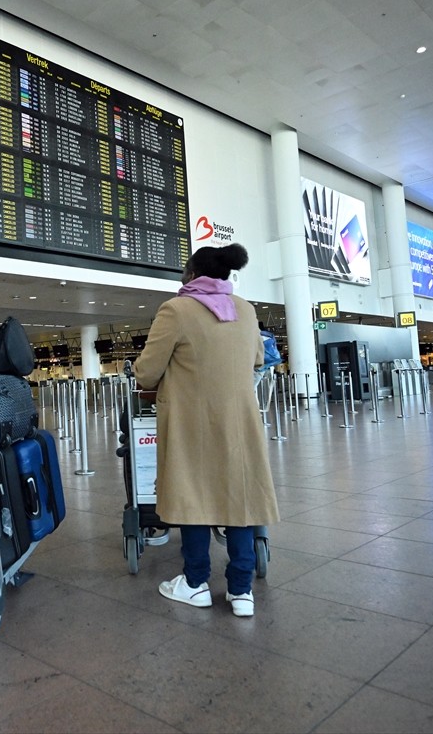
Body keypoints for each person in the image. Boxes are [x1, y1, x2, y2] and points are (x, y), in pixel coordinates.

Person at [134, 244, 279, 617]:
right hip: (238, 420)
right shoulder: (245, 310)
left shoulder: (176, 309)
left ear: (192, 273)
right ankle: (241, 590)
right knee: (240, 497)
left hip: (191, 422)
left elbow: (148, 372)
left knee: (193, 496)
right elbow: (258, 359)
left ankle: (196, 583)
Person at [254, 322, 282, 412]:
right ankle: (257, 411)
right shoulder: (269, 336)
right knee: (253, 389)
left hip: (256, 366)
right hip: (267, 365)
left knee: (251, 390)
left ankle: (255, 412)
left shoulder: (255, 336)